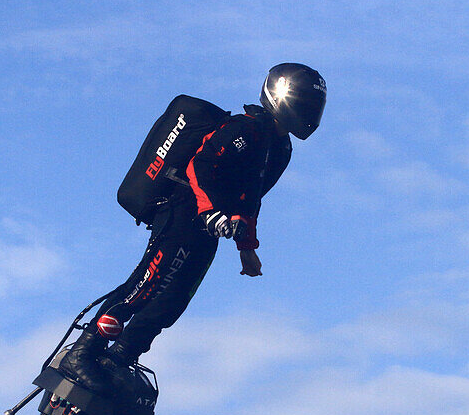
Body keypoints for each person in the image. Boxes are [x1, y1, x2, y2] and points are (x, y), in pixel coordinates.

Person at [59, 63, 327, 395]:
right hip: (184, 210)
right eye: (304, 103)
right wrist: (209, 212)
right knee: (146, 285)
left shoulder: (281, 149)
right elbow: (199, 165)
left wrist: (247, 249)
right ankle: (83, 353)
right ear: (280, 96)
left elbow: (251, 199)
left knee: (173, 300)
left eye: (314, 106)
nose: (309, 113)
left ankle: (120, 358)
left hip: (211, 228)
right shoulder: (245, 129)